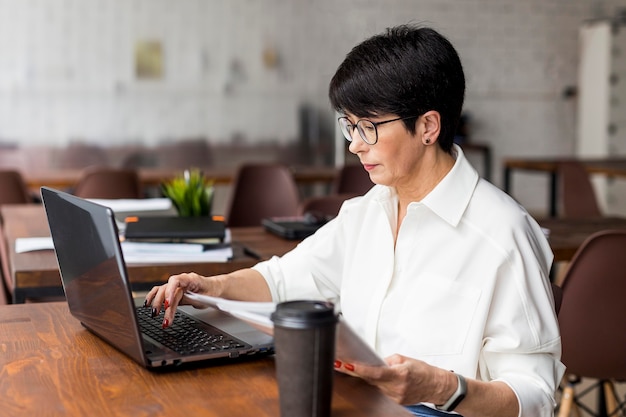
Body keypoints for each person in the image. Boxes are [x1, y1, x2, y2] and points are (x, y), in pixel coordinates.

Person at [145, 25, 564, 417]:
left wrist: (442, 388)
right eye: (350, 126)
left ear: (428, 126)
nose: (354, 145)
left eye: (369, 127)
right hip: (355, 403)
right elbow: (283, 280)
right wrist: (210, 286)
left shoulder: (502, 234)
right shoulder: (366, 213)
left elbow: (537, 395)